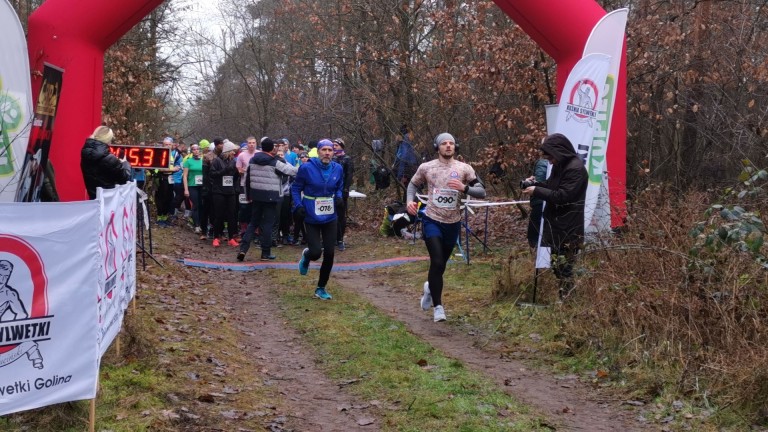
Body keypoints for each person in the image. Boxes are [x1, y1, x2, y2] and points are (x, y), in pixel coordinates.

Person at [405, 132, 485, 322]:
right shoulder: (427, 167)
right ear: (437, 147)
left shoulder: (464, 169)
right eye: (444, 144)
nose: (448, 146)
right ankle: (438, 307)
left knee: (439, 267)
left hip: (453, 222)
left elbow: (482, 192)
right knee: (438, 261)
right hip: (432, 220)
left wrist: (464, 188)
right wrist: (410, 201)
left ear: (455, 147)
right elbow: (412, 184)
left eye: (451, 143)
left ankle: (429, 289)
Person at [521, 133, 588, 298]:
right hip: (556, 225)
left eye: (550, 156)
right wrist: (534, 183)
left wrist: (536, 191)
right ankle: (565, 300)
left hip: (569, 227)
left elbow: (563, 196)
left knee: (565, 268)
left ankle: (568, 302)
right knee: (557, 266)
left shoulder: (576, 168)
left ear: (559, 152)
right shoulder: (560, 166)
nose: (549, 161)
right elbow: (551, 187)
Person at [292, 139, 344, 300]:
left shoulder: (338, 168)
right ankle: (307, 256)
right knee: (316, 252)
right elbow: (295, 188)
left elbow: (339, 186)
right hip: (311, 214)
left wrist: (339, 197)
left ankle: (321, 288)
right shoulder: (307, 168)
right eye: (324, 150)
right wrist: (298, 205)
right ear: (318, 151)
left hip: (330, 216)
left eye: (330, 150)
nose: (327, 153)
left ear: (333, 153)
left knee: (329, 253)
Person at [237, 138, 298, 261]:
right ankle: (265, 253)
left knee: (253, 223)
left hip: (256, 196)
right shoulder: (274, 161)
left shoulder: (253, 160)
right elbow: (291, 171)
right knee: (268, 225)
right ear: (272, 148)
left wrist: (249, 195)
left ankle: (243, 249)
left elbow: (248, 179)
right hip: (271, 197)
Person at [80, 125, 131, 199]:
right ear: (108, 140)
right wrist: (125, 163)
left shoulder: (85, 157)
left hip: (93, 202)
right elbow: (125, 179)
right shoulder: (110, 159)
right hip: (110, 203)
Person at [209, 140, 240, 247]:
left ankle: (231, 238)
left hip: (230, 191)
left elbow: (235, 177)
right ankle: (216, 237)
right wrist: (225, 170)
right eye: (232, 151)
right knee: (219, 215)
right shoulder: (217, 161)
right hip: (218, 191)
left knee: (232, 215)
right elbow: (212, 174)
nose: (234, 153)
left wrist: (236, 173)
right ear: (227, 151)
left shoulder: (233, 161)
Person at [332, 138, 354, 250]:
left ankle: (340, 238)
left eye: (336, 145)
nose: (334, 147)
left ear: (341, 146)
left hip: (342, 190)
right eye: (333, 145)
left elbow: (349, 175)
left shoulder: (347, 159)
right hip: (331, 190)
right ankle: (332, 237)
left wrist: (346, 188)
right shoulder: (331, 158)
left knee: (341, 215)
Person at [526, 157, 549, 248]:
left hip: (540, 201)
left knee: (535, 235)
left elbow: (540, 180)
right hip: (544, 200)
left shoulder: (543, 162)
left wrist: (532, 184)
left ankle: (537, 254)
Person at [182, 143, 204, 233]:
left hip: (202, 186)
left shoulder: (203, 160)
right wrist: (186, 189)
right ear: (191, 151)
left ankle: (203, 224)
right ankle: (197, 225)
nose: (196, 151)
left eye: (197, 149)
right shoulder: (188, 161)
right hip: (192, 185)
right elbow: (185, 176)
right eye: (194, 149)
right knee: (196, 205)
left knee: (202, 205)